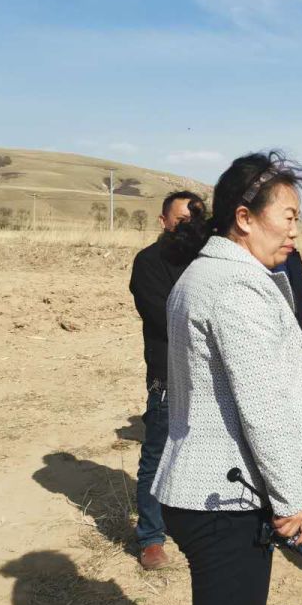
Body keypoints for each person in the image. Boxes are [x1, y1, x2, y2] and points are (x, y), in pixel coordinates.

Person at [153, 151, 302, 605]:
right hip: (224, 499)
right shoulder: (234, 287)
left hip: (210, 489)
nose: (295, 231)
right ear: (244, 217)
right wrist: (288, 500)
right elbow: (262, 409)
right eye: (289, 217)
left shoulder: (208, 274)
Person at [128, 189, 205, 570]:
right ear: (163, 222)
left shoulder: (208, 260)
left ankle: (195, 522)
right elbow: (164, 319)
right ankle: (151, 537)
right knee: (157, 457)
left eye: (196, 220)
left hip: (210, 375)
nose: (189, 228)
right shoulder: (148, 262)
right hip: (169, 375)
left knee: (203, 454)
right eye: (181, 221)